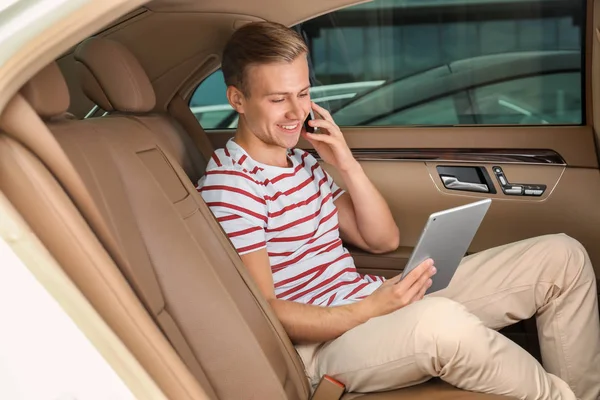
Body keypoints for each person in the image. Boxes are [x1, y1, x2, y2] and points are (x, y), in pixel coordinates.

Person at [197, 21, 600, 400]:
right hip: (323, 346)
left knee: (561, 257)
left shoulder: (301, 164)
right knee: (442, 321)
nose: (296, 112)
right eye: (277, 98)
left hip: (366, 301)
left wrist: (346, 163)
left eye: (303, 94)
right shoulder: (232, 186)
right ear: (237, 99)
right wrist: (368, 309)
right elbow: (268, 312)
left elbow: (381, 239)